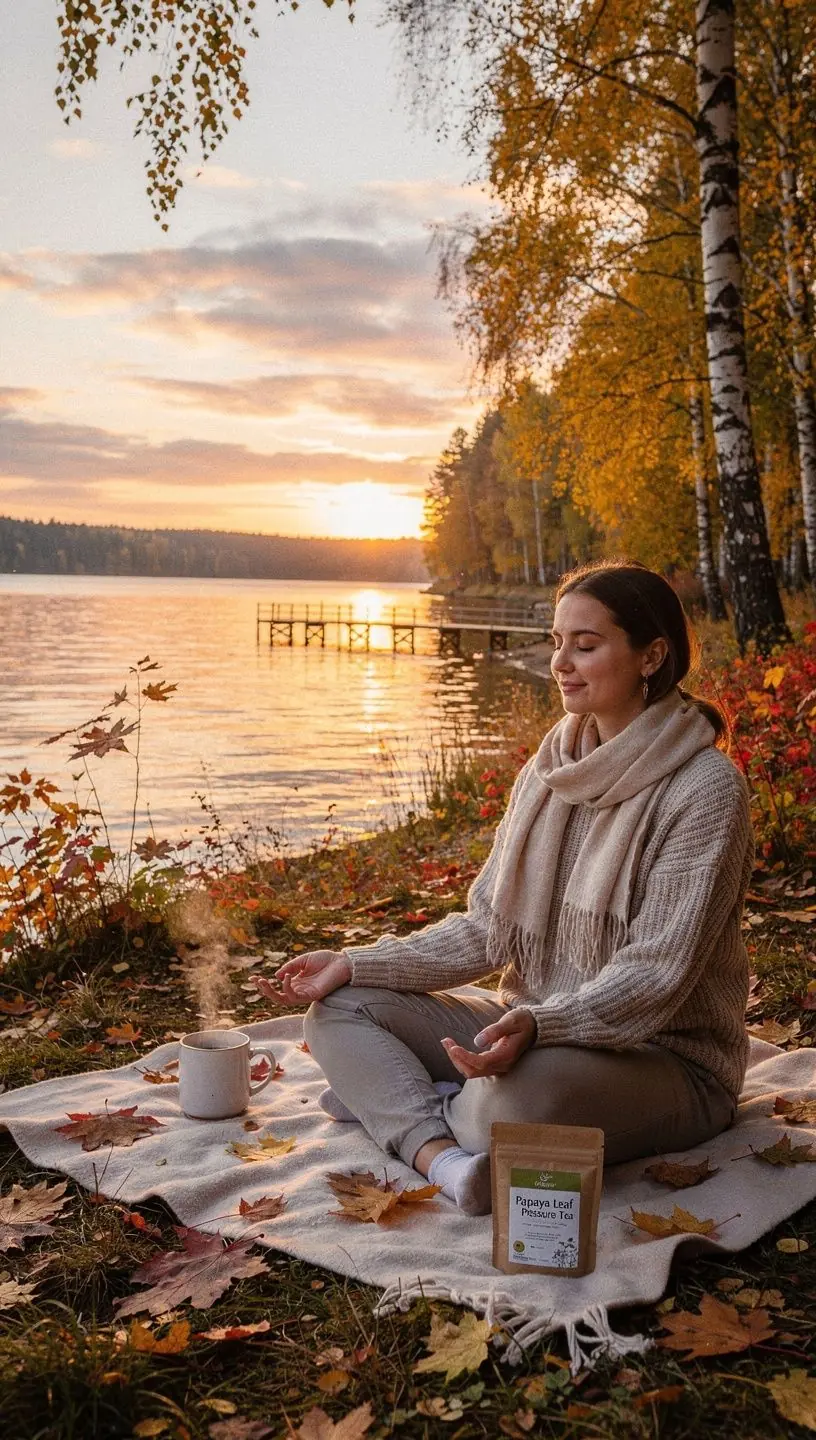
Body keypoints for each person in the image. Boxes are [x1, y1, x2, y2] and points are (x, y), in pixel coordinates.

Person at [267, 561, 754, 1214]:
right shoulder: (550, 770)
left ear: (651, 655)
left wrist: (542, 1027)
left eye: (586, 645)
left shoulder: (705, 789)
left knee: (516, 1108)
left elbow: (657, 974)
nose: (562, 663)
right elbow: (486, 930)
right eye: (557, 643)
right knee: (339, 1009)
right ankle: (444, 1159)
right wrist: (357, 962)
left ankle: (395, 1101)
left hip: (663, 1059)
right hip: (530, 1030)